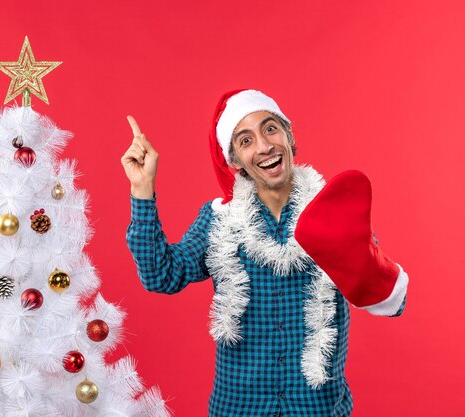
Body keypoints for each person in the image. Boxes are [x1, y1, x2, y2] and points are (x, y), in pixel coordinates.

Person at [121, 89, 409, 417]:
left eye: (270, 129)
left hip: (318, 408)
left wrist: (357, 258)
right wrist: (142, 189)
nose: (263, 146)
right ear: (235, 160)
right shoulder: (219, 219)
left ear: (288, 136)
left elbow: (393, 303)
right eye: (245, 140)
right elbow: (161, 275)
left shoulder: (333, 211)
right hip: (239, 408)